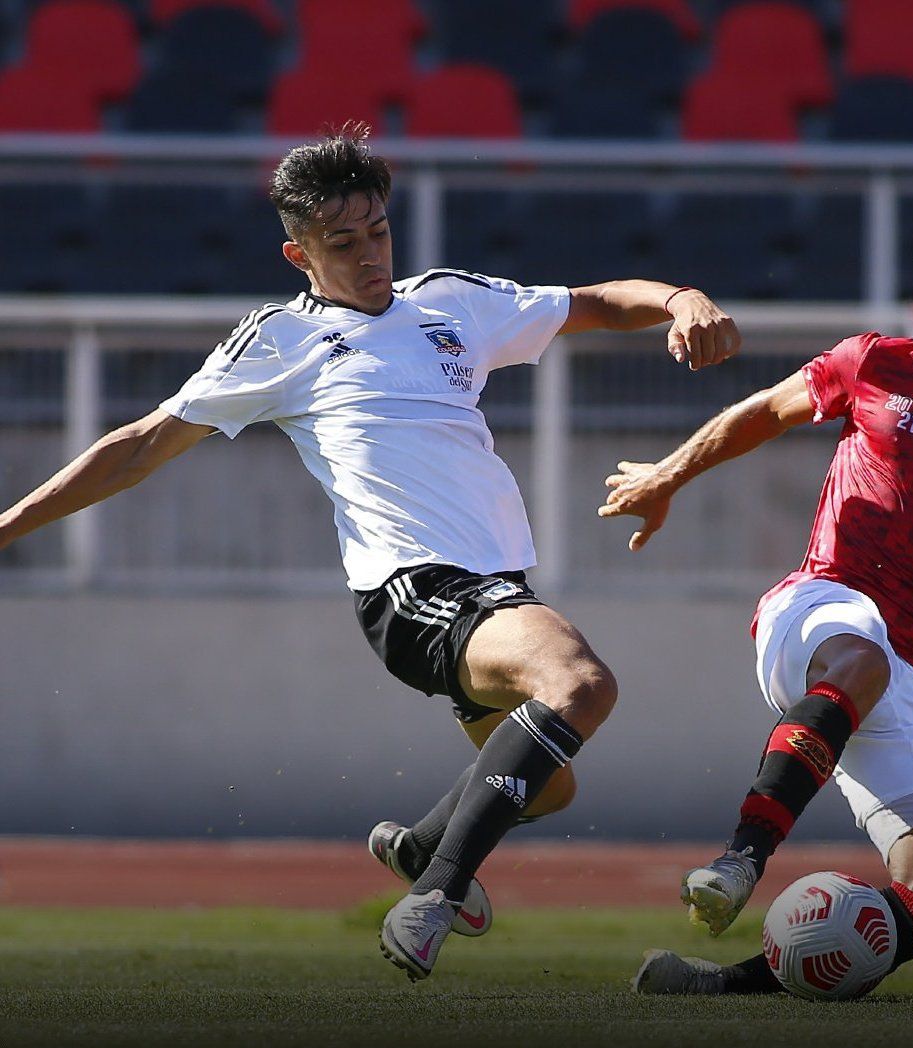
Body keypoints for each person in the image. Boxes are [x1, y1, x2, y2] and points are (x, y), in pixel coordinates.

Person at [0, 126, 741, 982]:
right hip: (413, 592)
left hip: (495, 591)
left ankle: (420, 842)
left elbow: (595, 301)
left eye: (378, 231)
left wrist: (680, 297)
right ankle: (437, 890)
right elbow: (139, 444)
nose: (368, 256)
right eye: (341, 243)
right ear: (298, 253)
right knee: (579, 683)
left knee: (547, 784)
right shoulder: (282, 340)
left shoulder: (450, 304)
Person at [603, 195, 913, 995]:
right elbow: (763, 411)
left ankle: (726, 987)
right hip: (825, 607)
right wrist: (667, 476)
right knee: (860, 658)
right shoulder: (878, 364)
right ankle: (739, 860)